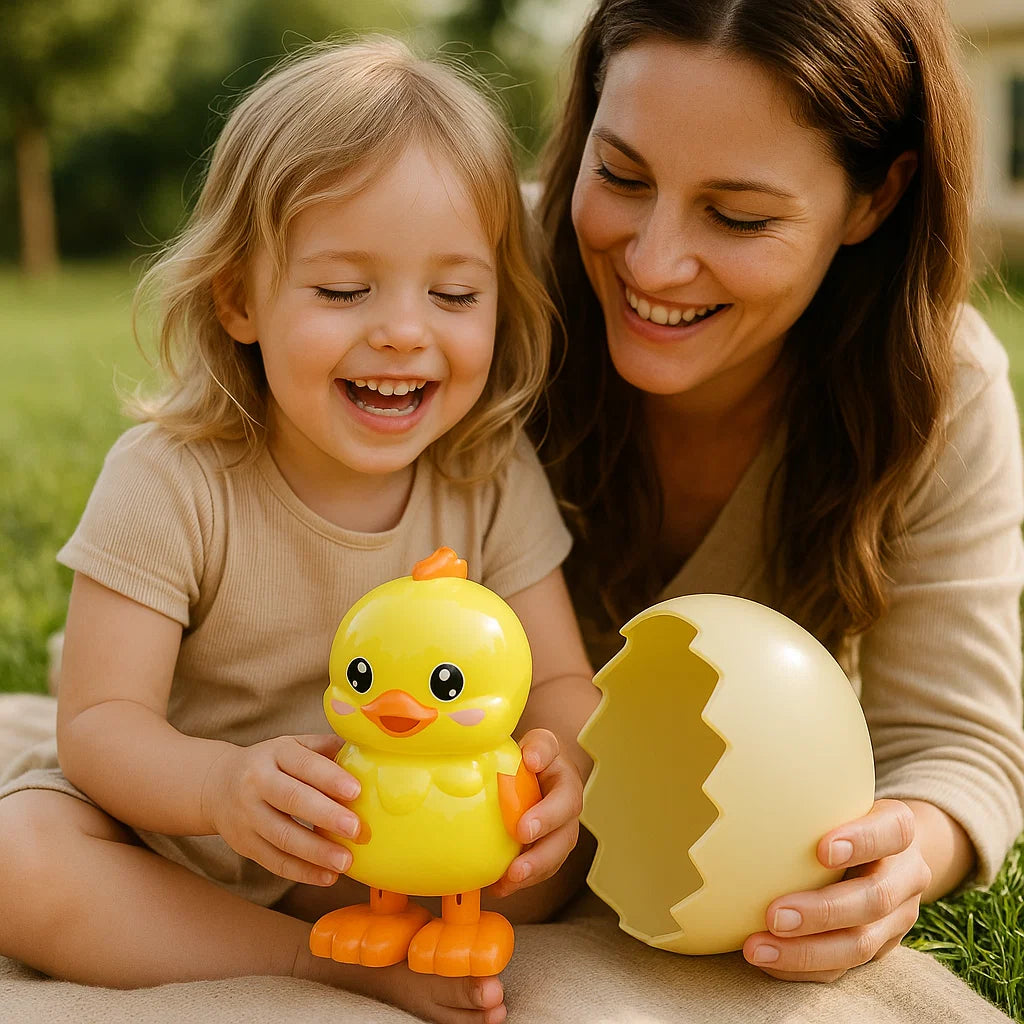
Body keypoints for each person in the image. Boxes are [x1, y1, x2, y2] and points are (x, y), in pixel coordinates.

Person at [0, 37, 597, 1024]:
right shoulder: (172, 480)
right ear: (239, 296)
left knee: (565, 861)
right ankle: (321, 967)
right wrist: (222, 787)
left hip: (384, 850)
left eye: (453, 294)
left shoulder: (488, 472)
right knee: (19, 863)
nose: (404, 331)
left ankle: (377, 931)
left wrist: (558, 772)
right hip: (176, 840)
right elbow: (100, 723)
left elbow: (563, 681)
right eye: (342, 289)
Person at [536, 0, 1024, 985]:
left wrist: (893, 862)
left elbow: (954, 747)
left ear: (874, 199)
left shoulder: (936, 391)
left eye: (738, 215)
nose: (652, 260)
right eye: (620, 175)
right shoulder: (457, 294)